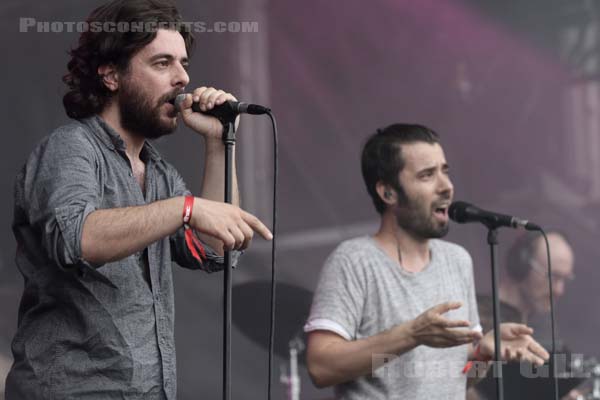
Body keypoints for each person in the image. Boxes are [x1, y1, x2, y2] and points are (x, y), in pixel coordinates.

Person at [6, 1, 272, 398]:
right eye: (162, 63)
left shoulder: (160, 174)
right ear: (111, 75)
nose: (183, 78)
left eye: (183, 63)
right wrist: (185, 210)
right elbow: (76, 240)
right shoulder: (70, 148)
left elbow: (218, 249)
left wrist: (218, 144)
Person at [304, 124, 549, 400]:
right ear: (388, 193)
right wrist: (412, 335)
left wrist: (482, 353)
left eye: (444, 171)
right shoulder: (353, 261)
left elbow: (461, 378)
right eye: (427, 175)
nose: (446, 187)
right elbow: (320, 367)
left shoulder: (457, 261)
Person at [470, 232, 580, 400]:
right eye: (553, 276)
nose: (559, 290)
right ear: (521, 266)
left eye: (565, 279)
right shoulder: (473, 317)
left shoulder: (542, 326)